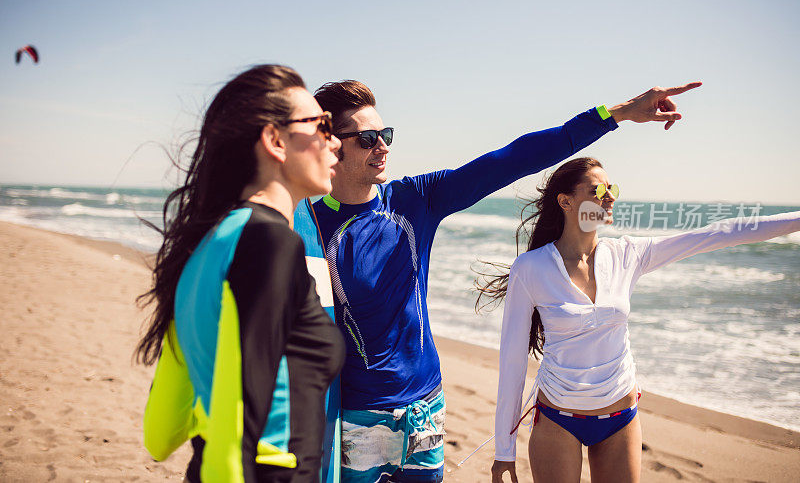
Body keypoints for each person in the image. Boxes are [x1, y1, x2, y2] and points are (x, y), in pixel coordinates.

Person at [310, 79, 702, 482]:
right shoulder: (310, 226)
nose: (383, 147)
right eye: (368, 138)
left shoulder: (416, 200)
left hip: (426, 409)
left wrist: (616, 114)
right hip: (356, 417)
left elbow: (513, 158)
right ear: (330, 144)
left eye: (385, 135)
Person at [482, 157, 800, 482]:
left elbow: (720, 233)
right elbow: (512, 362)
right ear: (566, 201)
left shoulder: (627, 255)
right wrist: (504, 451)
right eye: (599, 189)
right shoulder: (531, 268)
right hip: (557, 419)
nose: (610, 196)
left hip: (620, 417)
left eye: (612, 188)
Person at [135, 64, 346, 482]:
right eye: (321, 125)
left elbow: (161, 432)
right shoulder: (269, 245)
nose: (335, 141)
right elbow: (241, 423)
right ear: (275, 140)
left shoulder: (203, 248)